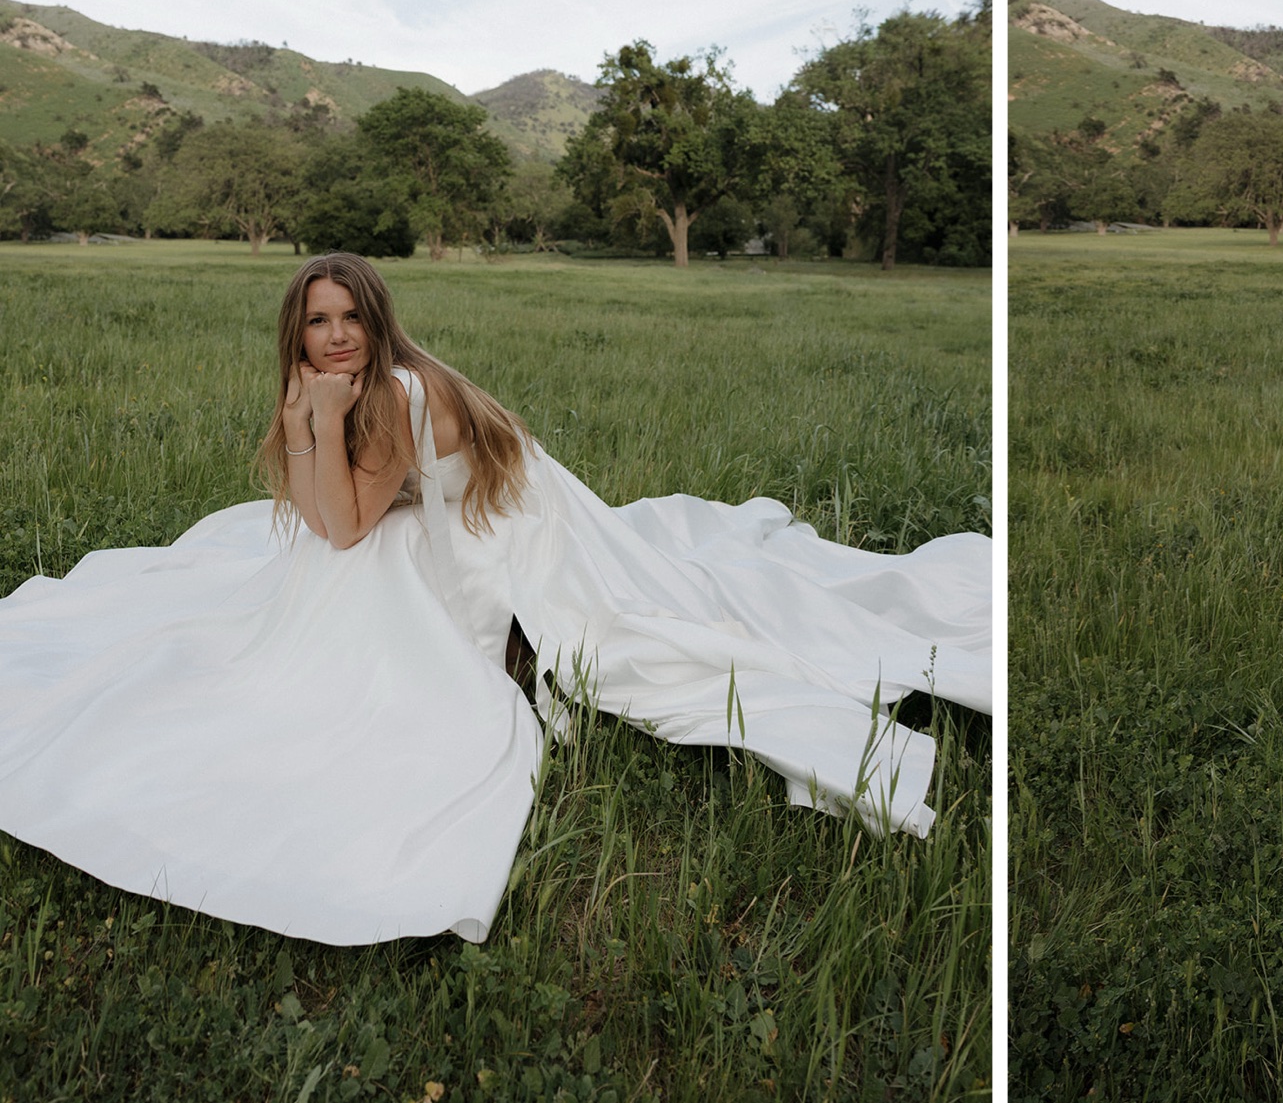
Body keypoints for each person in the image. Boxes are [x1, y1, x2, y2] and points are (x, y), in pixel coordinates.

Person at [0, 253, 990, 945]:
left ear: (376, 320)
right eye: (318, 320)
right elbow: (319, 512)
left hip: (526, 526)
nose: (336, 334)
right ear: (295, 329)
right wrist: (308, 418)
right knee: (305, 561)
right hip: (467, 509)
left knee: (370, 571)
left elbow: (339, 525)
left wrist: (313, 415)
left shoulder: (389, 392)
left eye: (351, 316)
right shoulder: (345, 390)